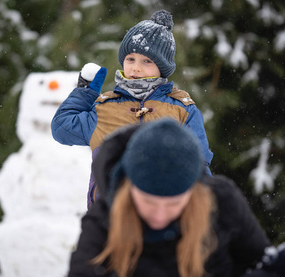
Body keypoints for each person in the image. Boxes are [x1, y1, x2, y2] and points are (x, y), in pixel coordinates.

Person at [63, 118, 285, 277]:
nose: (160, 215)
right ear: (129, 188)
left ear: (194, 191)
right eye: (149, 202)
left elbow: (256, 266)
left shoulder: (222, 202)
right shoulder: (106, 216)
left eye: (174, 203)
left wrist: (273, 276)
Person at [51, 10, 213, 209]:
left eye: (147, 61)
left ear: (162, 67)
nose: (136, 68)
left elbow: (199, 164)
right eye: (130, 59)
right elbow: (62, 128)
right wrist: (84, 93)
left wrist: (206, 210)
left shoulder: (181, 109)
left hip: (164, 214)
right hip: (110, 214)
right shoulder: (105, 108)